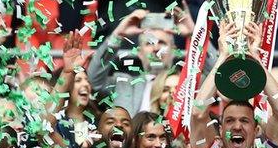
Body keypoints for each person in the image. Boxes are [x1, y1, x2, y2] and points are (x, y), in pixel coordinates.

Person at [87, 8, 218, 116]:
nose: (156, 48)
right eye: (149, 43)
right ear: (139, 52)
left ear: (174, 51)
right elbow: (94, 80)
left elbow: (219, 76)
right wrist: (118, 35)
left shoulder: (190, 85)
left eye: (162, 43)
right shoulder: (123, 84)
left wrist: (195, 35)